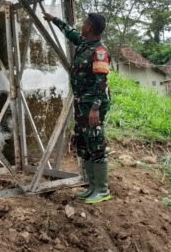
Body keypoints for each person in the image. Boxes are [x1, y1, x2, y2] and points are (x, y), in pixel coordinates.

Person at [42, 11, 111, 204]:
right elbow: (70, 32)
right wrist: (53, 19)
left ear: (89, 27)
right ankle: (92, 186)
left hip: (92, 106)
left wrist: (96, 108)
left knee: (96, 143)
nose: (82, 25)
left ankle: (102, 189)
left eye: (85, 22)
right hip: (82, 104)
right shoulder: (84, 43)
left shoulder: (99, 51)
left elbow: (101, 82)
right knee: (85, 142)